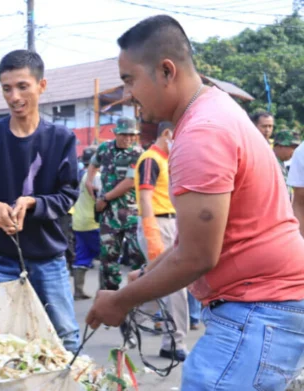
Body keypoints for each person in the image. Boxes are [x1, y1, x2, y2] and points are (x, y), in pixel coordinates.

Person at [86, 15, 304, 390]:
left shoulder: (202, 133)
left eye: (130, 80)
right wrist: (146, 273)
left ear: (166, 71)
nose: (128, 95)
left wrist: (121, 300)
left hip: (257, 308)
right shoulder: (214, 109)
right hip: (262, 306)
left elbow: (198, 257)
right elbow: (192, 244)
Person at [0, 49, 80, 352]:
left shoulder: (61, 138)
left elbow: (69, 194)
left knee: (65, 336)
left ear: (41, 86)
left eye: (22, 86)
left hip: (48, 257)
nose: (14, 96)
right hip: (0, 258)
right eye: (6, 88)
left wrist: (34, 205)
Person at [132, 121, 188, 361]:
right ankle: (174, 343)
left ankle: (129, 311)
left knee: (163, 284)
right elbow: (145, 198)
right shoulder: (150, 159)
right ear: (167, 133)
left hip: (171, 223)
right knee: (175, 286)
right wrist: (151, 232)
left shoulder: (166, 159)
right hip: (157, 223)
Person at [90, 118, 145, 291]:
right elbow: (93, 165)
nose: (128, 138)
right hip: (108, 215)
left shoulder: (138, 153)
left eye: (132, 135)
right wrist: (89, 183)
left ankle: (137, 297)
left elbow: (129, 182)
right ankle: (110, 298)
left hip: (132, 214)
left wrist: (104, 198)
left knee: (138, 256)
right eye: (124, 135)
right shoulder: (104, 148)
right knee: (108, 258)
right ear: (116, 134)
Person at [71, 147, 101, 300]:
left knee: (82, 256)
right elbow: (100, 199)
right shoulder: (95, 177)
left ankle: (78, 290)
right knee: (106, 256)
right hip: (92, 223)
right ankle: (103, 294)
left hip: (78, 221)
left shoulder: (80, 175)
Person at [273, 127, 301, 201]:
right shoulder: (271, 165)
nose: (295, 151)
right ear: (280, 146)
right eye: (292, 147)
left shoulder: (280, 164)